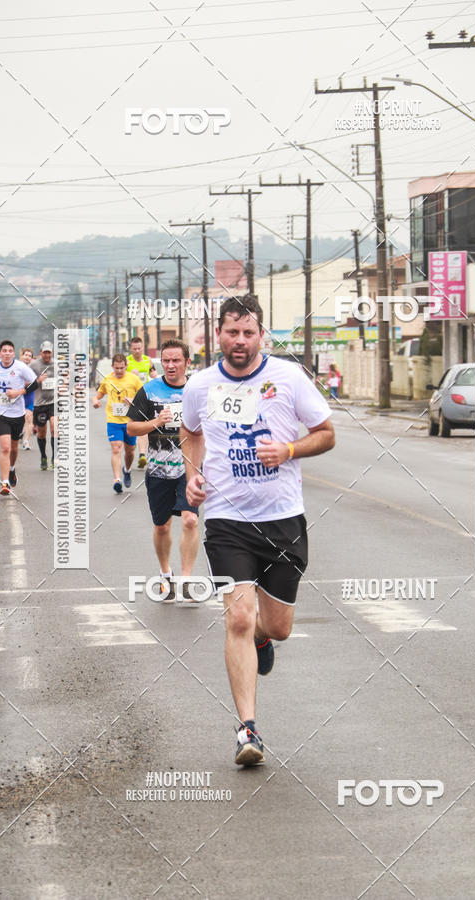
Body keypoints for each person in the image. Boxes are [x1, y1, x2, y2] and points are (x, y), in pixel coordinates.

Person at [180, 295, 335, 766]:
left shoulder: (288, 378)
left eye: (249, 333)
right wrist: (193, 472)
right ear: (219, 335)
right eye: (232, 332)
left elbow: (326, 433)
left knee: (277, 627)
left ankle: (265, 640)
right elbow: (190, 432)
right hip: (227, 522)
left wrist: (288, 450)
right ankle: (248, 729)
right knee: (238, 619)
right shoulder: (201, 385)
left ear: (261, 335)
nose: (240, 341)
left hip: (283, 518)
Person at [127, 340, 200, 604]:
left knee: (190, 520)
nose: (170, 365)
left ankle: (187, 581)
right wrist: (156, 422)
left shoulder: (196, 391)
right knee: (162, 527)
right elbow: (131, 429)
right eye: (166, 361)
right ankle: (166, 573)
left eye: (176, 360)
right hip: (158, 470)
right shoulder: (149, 391)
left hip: (189, 468)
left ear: (186, 362)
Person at [0, 340, 38, 495]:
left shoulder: (21, 368)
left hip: (18, 413)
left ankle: (12, 469)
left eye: (10, 351)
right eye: (4, 351)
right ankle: (5, 482)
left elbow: (34, 384)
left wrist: (18, 392)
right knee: (5, 447)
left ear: (14, 354)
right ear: (0, 353)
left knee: (14, 448)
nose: (7, 353)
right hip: (0, 412)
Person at [92, 354, 142, 492]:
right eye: (116, 368)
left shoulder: (134, 379)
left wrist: (134, 401)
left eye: (121, 368)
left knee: (130, 451)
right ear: (112, 366)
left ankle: (127, 469)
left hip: (130, 421)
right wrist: (95, 400)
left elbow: (144, 398)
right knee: (116, 448)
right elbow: (99, 394)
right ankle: (117, 480)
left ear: (126, 366)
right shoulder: (107, 379)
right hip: (113, 421)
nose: (119, 370)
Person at [126, 337, 157, 469]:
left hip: (146, 396)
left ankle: (142, 454)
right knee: (136, 425)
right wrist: (130, 374)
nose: (137, 351)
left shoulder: (148, 360)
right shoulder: (127, 362)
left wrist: (155, 376)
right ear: (131, 349)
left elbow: (154, 373)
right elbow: (119, 377)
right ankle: (135, 451)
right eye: (135, 349)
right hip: (132, 397)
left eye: (139, 348)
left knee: (145, 425)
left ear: (142, 347)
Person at [29, 341, 57, 468]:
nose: (47, 355)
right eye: (45, 352)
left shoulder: (57, 364)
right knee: (41, 433)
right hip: (39, 403)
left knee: (55, 429)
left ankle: (54, 458)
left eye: (49, 352)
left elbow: (65, 377)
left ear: (52, 352)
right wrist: (38, 381)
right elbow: (27, 383)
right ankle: (43, 456)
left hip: (54, 402)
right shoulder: (33, 365)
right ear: (40, 352)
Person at [19, 348, 35, 450]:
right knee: (20, 420)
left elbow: (37, 382)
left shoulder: (34, 368)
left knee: (29, 418)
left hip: (29, 397)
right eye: (26, 355)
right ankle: (19, 433)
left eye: (30, 356)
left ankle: (26, 441)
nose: (27, 357)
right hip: (17, 397)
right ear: (21, 356)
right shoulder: (16, 367)